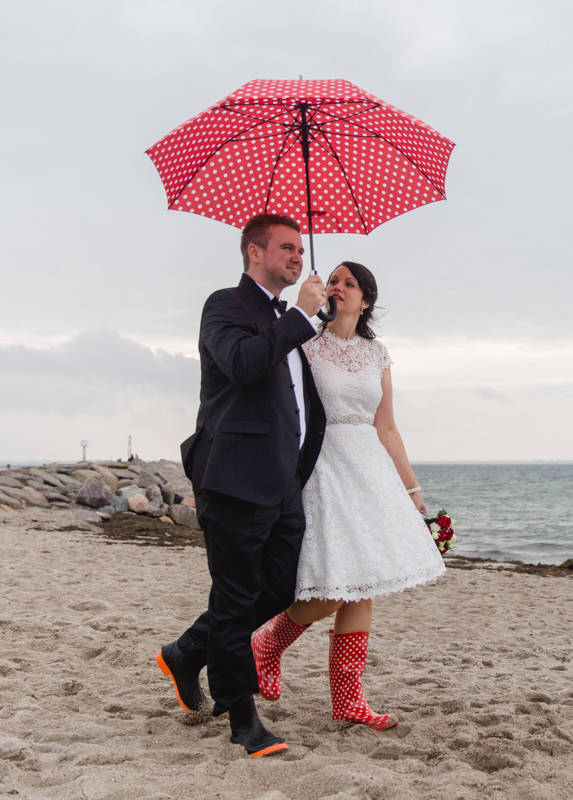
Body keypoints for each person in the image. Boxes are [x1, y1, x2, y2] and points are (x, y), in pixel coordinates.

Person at [154, 213, 328, 758]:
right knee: (233, 602)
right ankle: (243, 719)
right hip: (232, 478)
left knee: (279, 590)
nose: (297, 257)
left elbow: (299, 402)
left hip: (283, 482)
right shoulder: (226, 305)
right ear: (255, 253)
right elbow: (244, 364)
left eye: (301, 249)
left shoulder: (292, 321)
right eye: (285, 248)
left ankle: (187, 652)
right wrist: (300, 314)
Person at [250, 261, 446, 731]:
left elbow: (387, 426)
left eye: (348, 283)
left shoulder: (377, 353)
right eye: (332, 280)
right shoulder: (305, 345)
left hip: (369, 469)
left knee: (366, 581)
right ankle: (268, 644)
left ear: (365, 300)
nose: (337, 287)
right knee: (333, 586)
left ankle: (348, 700)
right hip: (322, 463)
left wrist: (412, 489)